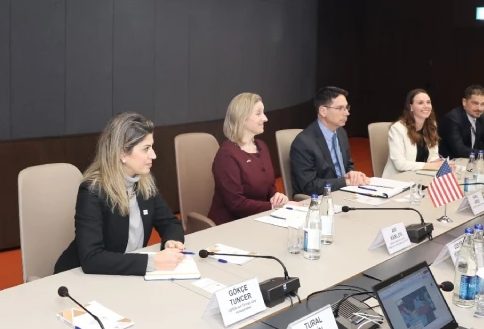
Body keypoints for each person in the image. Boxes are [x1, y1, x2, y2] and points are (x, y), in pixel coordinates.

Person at [55, 112, 185, 276]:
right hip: (78, 278)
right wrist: (152, 262)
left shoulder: (145, 182)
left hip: (123, 274)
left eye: (152, 147)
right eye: (146, 149)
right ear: (123, 153)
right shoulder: (92, 191)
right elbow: (91, 259)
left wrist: (172, 241)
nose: (153, 155)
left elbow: (170, 223)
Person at [207, 93, 296, 225]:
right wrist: (274, 207)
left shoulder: (261, 146)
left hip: (261, 218)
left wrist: (277, 197)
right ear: (242, 118)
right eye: (258, 113)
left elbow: (269, 187)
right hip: (231, 225)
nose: (265, 118)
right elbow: (236, 204)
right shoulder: (226, 156)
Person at [290, 86, 369, 196]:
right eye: (340, 108)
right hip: (322, 198)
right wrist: (345, 182)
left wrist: (353, 174)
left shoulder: (341, 132)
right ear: (323, 111)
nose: (347, 113)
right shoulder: (303, 143)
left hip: (346, 192)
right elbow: (309, 186)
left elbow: (348, 164)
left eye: (347, 108)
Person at [383, 89, 445, 178]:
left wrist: (438, 162)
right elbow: (400, 164)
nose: (426, 106)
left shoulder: (432, 126)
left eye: (428, 102)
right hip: (398, 179)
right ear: (411, 107)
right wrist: (430, 166)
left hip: (422, 176)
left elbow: (433, 155)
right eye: (420, 103)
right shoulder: (398, 129)